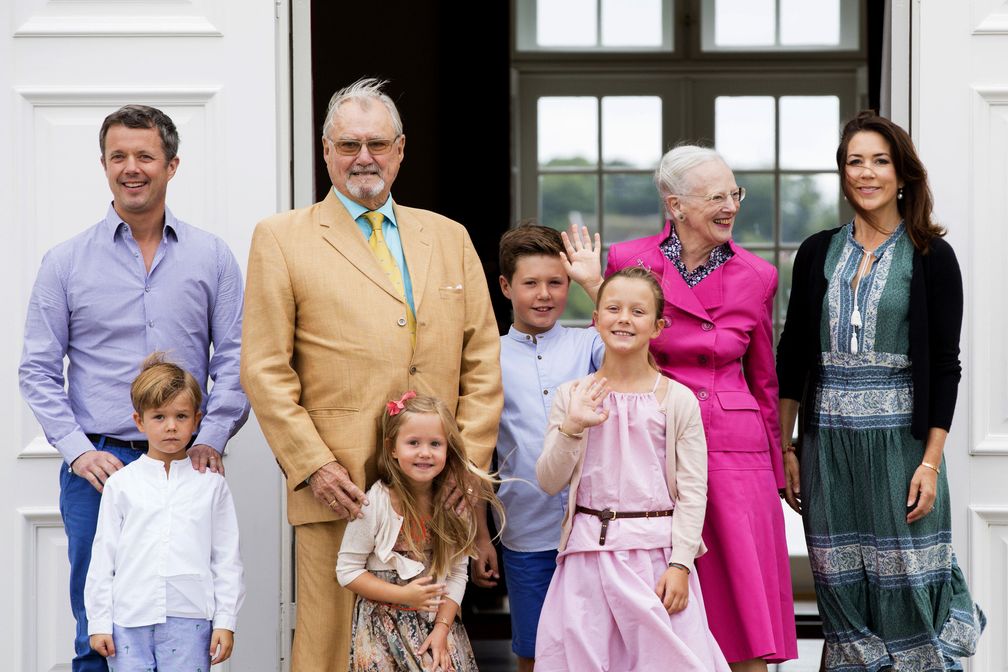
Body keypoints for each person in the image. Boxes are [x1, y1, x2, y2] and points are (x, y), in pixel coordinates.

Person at [240, 77, 502, 672]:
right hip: (341, 482)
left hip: (438, 483)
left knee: (430, 645)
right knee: (332, 647)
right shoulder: (281, 238)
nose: (365, 157)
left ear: (401, 149)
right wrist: (312, 464)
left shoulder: (450, 236)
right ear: (326, 151)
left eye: (378, 144)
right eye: (349, 144)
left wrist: (470, 465)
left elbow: (482, 360)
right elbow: (263, 368)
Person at [18, 104, 248, 672]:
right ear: (103, 164)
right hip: (98, 470)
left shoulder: (212, 257)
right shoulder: (65, 262)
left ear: (172, 164)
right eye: (118, 156)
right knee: (97, 629)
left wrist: (210, 438)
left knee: (186, 622)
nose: (131, 168)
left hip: (187, 465)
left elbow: (239, 357)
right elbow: (37, 370)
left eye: (145, 155)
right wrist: (78, 451)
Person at [568, 145, 797, 670]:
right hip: (651, 433)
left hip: (732, 451)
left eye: (734, 193)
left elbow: (763, 377)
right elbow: (621, 331)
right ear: (675, 206)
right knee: (661, 590)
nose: (730, 206)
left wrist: (776, 459)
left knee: (740, 602)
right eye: (716, 196)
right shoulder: (629, 260)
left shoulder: (758, 275)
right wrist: (590, 285)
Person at [776, 111, 985, 670]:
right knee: (842, 592)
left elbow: (946, 365)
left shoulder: (931, 256)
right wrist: (786, 445)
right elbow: (793, 354)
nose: (866, 173)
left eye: (879, 161)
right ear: (843, 175)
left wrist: (931, 463)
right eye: (854, 162)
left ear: (902, 174)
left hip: (900, 450)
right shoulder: (817, 251)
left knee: (911, 583)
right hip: (827, 449)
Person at [533, 266, 728, 671]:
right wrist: (571, 428)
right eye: (613, 308)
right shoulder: (573, 395)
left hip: (655, 560)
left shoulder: (678, 400)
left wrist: (680, 565)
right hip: (587, 555)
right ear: (596, 319)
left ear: (657, 326)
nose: (624, 318)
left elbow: (694, 492)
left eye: (638, 312)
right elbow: (549, 481)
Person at [468, 224, 604, 671]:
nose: (544, 295)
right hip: (526, 531)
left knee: (601, 649)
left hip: (596, 532)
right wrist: (479, 535)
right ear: (506, 286)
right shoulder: (486, 356)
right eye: (530, 283)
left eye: (556, 283)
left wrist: (593, 282)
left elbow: (639, 357)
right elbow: (476, 451)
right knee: (534, 651)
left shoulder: (590, 343)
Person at [85, 353, 244, 670]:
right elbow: (104, 558)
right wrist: (99, 621)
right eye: (159, 417)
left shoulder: (211, 486)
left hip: (191, 617)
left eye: (181, 416)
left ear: (196, 419)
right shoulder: (122, 485)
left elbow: (226, 559)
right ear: (139, 421)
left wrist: (226, 621)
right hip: (129, 619)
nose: (171, 427)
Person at [338, 392, 500, 672]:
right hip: (382, 629)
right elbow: (347, 570)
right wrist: (403, 596)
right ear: (392, 448)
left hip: (437, 623)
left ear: (448, 449)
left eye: (435, 443)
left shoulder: (453, 504)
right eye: (413, 443)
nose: (425, 452)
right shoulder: (375, 502)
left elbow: (457, 573)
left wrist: (442, 629)